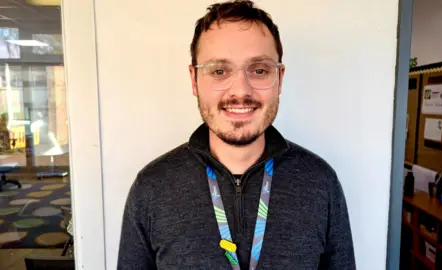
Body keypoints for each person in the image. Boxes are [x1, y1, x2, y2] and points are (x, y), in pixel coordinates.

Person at [117, 1, 356, 269]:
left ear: (280, 78)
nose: (240, 91)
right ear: (194, 80)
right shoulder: (151, 188)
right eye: (219, 71)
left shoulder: (320, 183)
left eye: (259, 70)